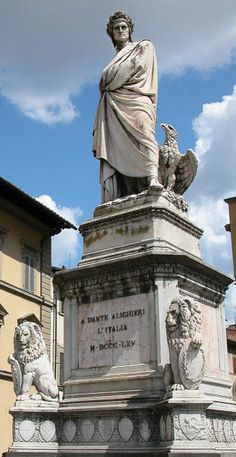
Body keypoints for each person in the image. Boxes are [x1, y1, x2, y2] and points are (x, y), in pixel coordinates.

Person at [93, 11, 163, 203]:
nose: (121, 30)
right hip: (113, 107)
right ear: (112, 34)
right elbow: (107, 80)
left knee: (145, 133)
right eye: (116, 28)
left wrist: (110, 80)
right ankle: (124, 192)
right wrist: (110, 79)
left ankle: (152, 178)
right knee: (116, 147)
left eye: (124, 27)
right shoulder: (114, 60)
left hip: (138, 99)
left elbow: (136, 68)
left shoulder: (144, 46)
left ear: (130, 30)